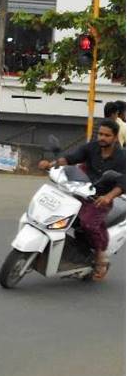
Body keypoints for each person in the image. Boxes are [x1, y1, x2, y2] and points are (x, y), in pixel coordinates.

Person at [38, 119, 125, 281]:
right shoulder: (91, 147)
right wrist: (51, 164)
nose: (102, 138)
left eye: (107, 135)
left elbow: (122, 182)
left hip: (100, 198)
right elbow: (71, 159)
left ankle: (100, 256)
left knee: (88, 223)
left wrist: (108, 197)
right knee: (58, 212)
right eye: (100, 134)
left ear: (114, 138)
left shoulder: (121, 157)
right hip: (81, 190)